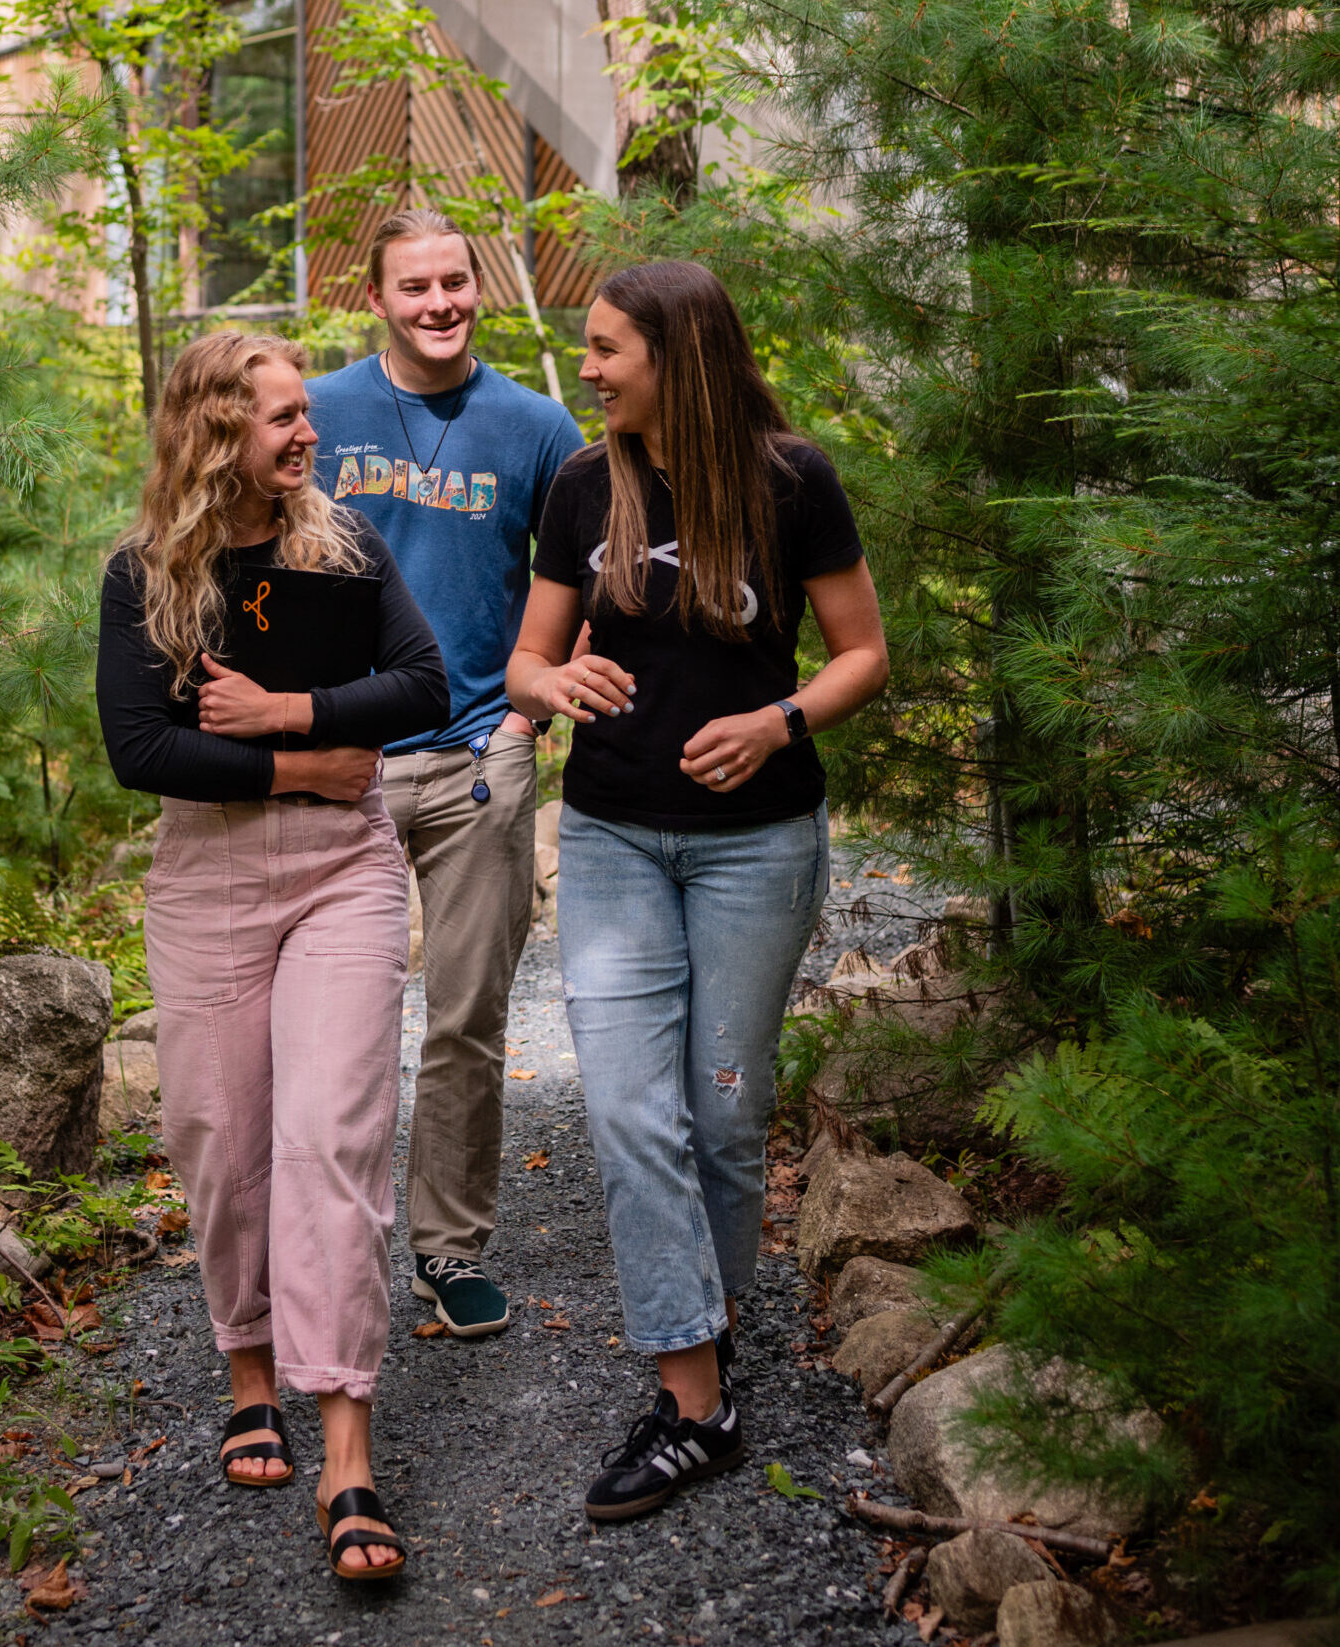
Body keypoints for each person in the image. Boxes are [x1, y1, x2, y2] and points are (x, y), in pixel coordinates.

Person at [506, 261, 889, 1522]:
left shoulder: (792, 480)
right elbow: (526, 662)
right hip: (613, 836)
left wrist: (777, 722)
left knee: (724, 1118)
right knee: (629, 1111)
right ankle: (693, 1399)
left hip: (755, 846)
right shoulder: (579, 486)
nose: (592, 368)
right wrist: (554, 689)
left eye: (610, 348)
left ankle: (702, 1354)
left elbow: (861, 655)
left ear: (678, 353)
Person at [98, 331, 449, 1579]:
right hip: (204, 880)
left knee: (332, 1132)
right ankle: (249, 1367)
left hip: (341, 872)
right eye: (283, 421)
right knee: (221, 1139)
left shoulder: (342, 542)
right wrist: (295, 761)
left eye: (306, 415)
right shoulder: (144, 573)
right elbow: (138, 748)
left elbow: (423, 684)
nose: (308, 436)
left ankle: (347, 1445)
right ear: (213, 436)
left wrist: (290, 710)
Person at [275, 209, 584, 1337]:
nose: (440, 303)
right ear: (378, 298)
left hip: (475, 764)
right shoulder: (320, 408)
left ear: (478, 286)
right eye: (416, 287)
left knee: (464, 1020)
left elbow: (585, 590)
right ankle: (324, 1247)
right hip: (338, 763)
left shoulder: (538, 426)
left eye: (455, 281)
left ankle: (449, 1253)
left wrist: (523, 721)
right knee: (336, 1029)